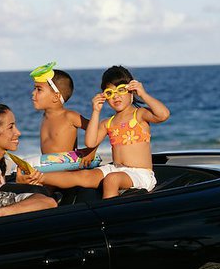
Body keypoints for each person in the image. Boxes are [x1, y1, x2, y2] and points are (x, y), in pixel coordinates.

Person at [36, 65, 170, 199]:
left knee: (112, 179)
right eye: (109, 93)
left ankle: (108, 216)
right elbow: (90, 142)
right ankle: (36, 177)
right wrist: (96, 111)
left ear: (131, 91)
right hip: (116, 169)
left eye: (121, 90)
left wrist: (143, 94)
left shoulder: (139, 115)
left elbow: (163, 115)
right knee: (83, 176)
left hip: (140, 174)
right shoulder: (108, 123)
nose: (116, 96)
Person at [30, 62, 97, 167]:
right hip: (49, 168)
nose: (33, 93)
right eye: (34, 88)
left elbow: (97, 129)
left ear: (56, 97)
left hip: (66, 169)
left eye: (39, 89)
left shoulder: (69, 116)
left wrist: (91, 151)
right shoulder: (45, 116)